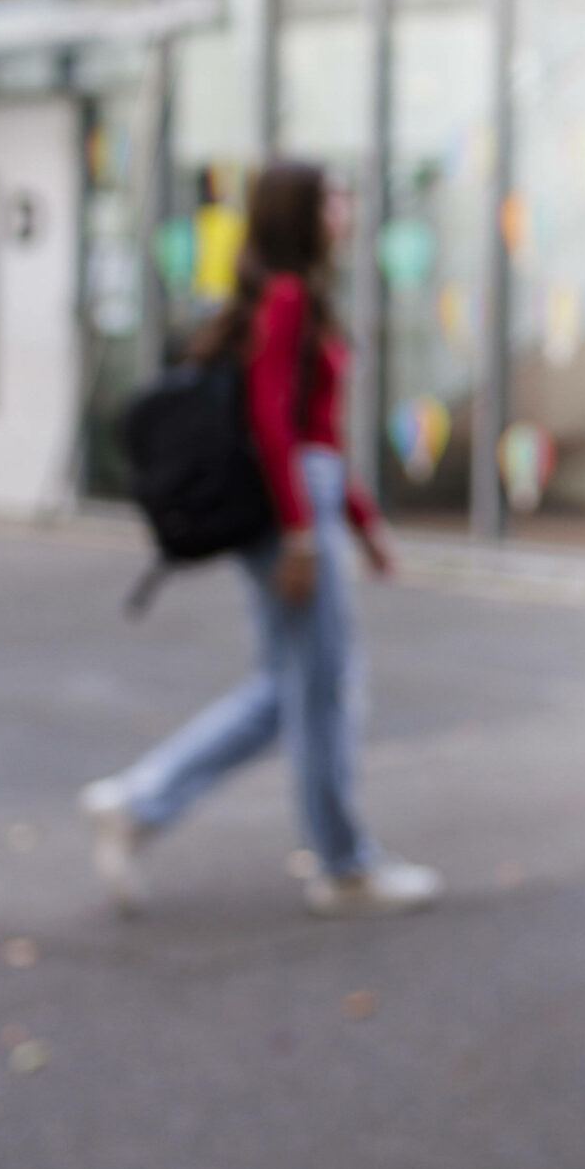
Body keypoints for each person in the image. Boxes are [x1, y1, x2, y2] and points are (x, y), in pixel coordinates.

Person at [81, 161, 440, 918]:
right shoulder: (286, 297)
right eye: (335, 197)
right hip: (289, 509)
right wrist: (306, 534)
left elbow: (317, 437)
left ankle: (139, 802)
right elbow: (277, 426)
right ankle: (343, 865)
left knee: (290, 690)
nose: (347, 209)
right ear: (302, 212)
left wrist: (365, 526)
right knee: (324, 690)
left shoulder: (285, 295)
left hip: (299, 498)